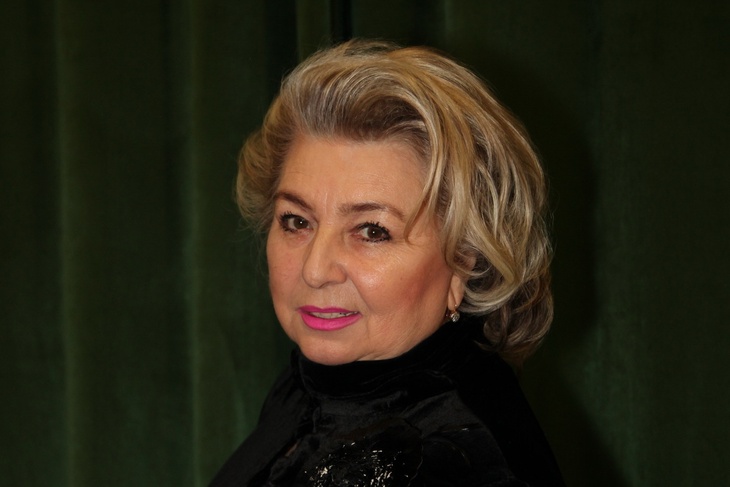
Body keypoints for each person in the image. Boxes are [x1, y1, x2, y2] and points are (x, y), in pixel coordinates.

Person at [210, 39, 564, 486]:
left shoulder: (454, 460)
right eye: (296, 221)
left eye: (372, 231)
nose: (315, 270)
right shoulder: (319, 384)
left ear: (466, 260)